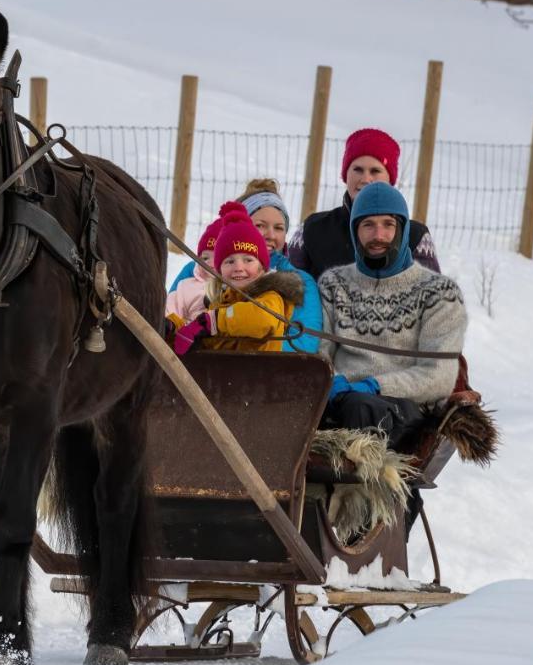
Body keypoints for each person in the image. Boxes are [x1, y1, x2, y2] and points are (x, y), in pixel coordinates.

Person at [317, 182, 467, 534]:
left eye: (388, 224)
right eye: (368, 225)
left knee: (361, 407)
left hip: (405, 408)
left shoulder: (438, 293)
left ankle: (362, 532)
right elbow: (320, 350)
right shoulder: (333, 284)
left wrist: (376, 383)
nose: (378, 235)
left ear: (402, 228)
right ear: (355, 231)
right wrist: (325, 378)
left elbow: (439, 376)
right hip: (339, 397)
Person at [169, 180, 322, 354]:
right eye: (260, 226)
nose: (271, 235)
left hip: (268, 369)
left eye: (279, 228)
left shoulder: (297, 282)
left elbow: (304, 343)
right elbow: (171, 311)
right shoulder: (199, 270)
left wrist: (242, 349)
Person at [288, 128, 440, 281]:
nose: (366, 179)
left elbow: (435, 299)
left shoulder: (416, 237)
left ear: (390, 179)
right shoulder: (312, 228)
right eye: (358, 170)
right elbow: (286, 290)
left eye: (375, 171)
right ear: (345, 174)